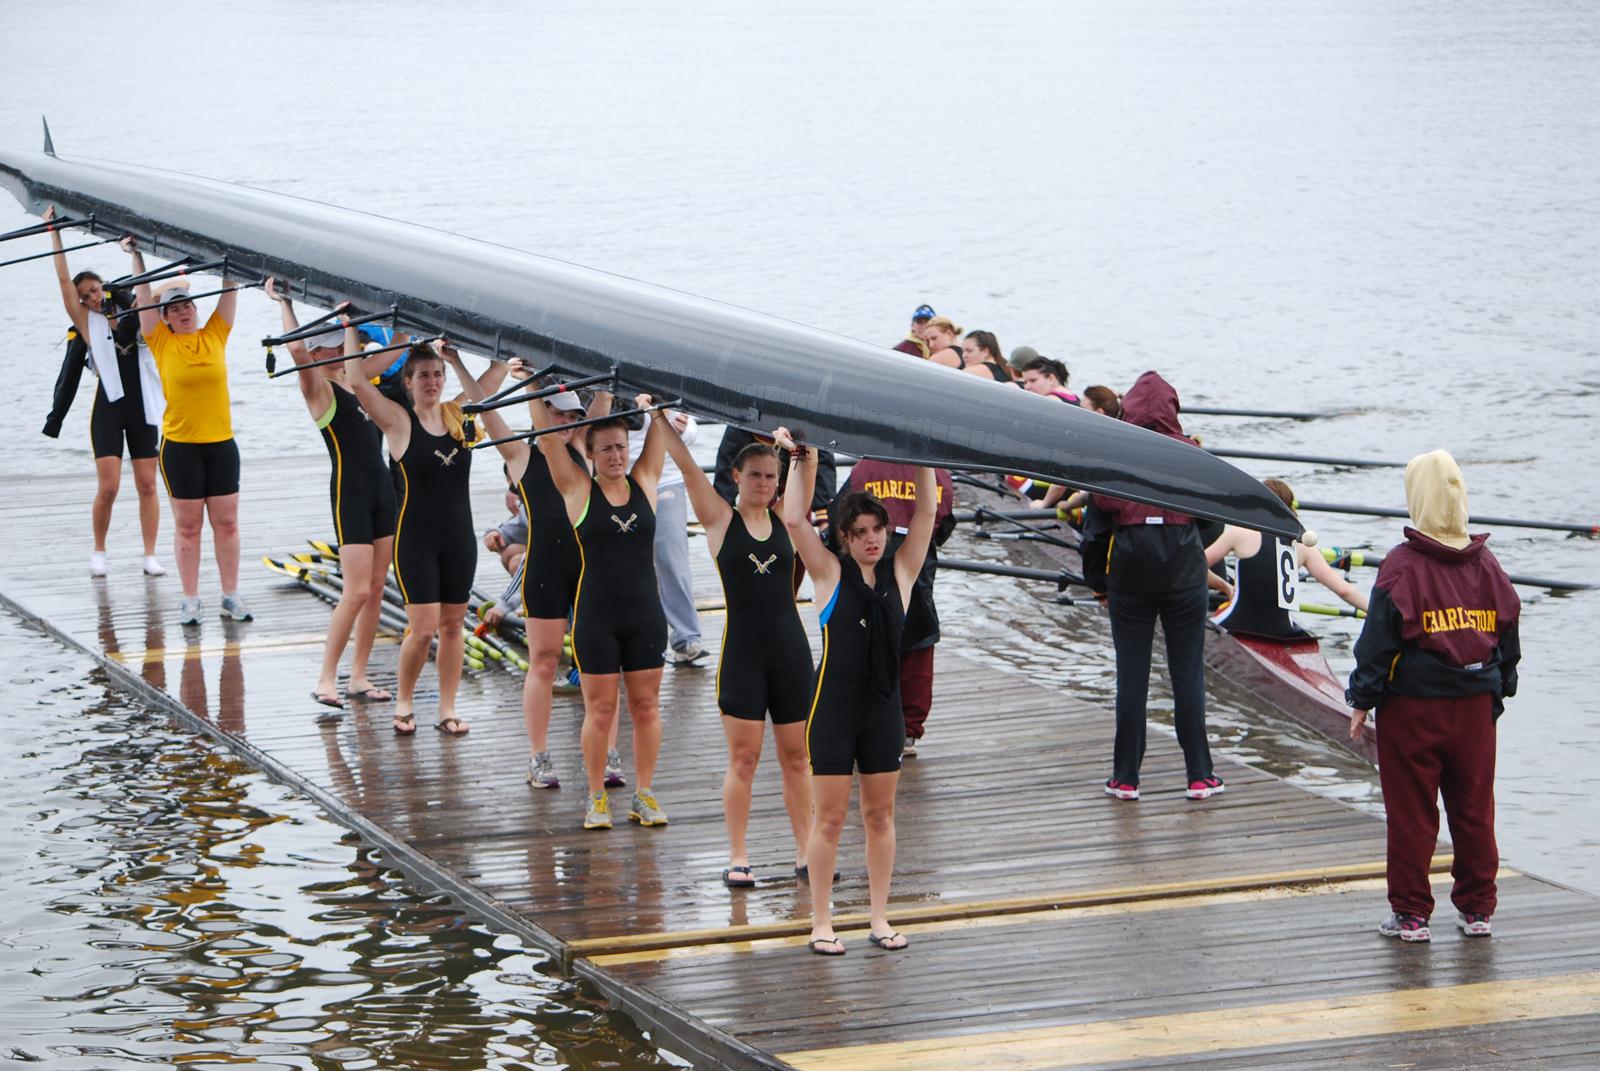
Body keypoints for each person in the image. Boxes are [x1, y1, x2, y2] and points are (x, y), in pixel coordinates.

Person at [1347, 450, 1520, 943]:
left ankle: (1410, 915)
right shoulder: (1487, 564)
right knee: (1474, 807)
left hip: (1412, 709)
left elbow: (1377, 644)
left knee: (1412, 812)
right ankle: (1477, 908)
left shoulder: (1402, 567)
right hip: (1474, 707)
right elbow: (1509, 636)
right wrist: (1500, 691)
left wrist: (1361, 699)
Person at [779, 427, 935, 956]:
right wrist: (805, 457)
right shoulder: (827, 573)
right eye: (861, 531)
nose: (872, 538)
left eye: (878, 530)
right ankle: (821, 922)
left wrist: (923, 458)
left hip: (883, 712)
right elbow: (794, 518)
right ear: (845, 538)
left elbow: (929, 516)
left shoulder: (903, 571)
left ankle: (878, 917)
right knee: (830, 818)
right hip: (833, 712)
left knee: (881, 816)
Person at [658, 421, 814, 885]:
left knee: (797, 759)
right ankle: (738, 855)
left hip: (790, 652)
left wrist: (800, 449)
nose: (764, 484)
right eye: (755, 476)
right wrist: (659, 418)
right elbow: (686, 468)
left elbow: (808, 468)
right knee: (744, 759)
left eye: (771, 477)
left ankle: (807, 852)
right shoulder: (720, 520)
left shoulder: (789, 519)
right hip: (743, 655)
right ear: (736, 477)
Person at [529, 390, 670, 830]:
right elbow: (550, 442)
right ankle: (596, 798)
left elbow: (660, 435)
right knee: (601, 711)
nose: (616, 455)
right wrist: (534, 391)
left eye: (622, 446)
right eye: (606, 447)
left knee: (646, 708)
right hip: (597, 618)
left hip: (645, 614)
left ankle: (644, 794)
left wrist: (654, 410)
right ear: (588, 453)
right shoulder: (577, 489)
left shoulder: (644, 480)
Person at [1080, 372, 1222, 802]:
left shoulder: (1113, 456)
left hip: (1130, 583)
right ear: (1173, 410)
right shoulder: (1194, 456)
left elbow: (1093, 536)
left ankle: (1126, 779)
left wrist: (1099, 585)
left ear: (1129, 410)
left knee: (1132, 679)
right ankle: (1199, 776)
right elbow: (1213, 523)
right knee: (1187, 678)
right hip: (1184, 582)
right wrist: (1189, 548)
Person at [481, 360, 621, 789]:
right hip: (544, 568)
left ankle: (610, 754)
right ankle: (539, 757)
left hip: (588, 569)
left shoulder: (583, 447)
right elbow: (486, 410)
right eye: (557, 415)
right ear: (543, 414)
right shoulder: (522, 455)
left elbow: (605, 394)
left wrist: (608, 370)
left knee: (602, 664)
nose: (565, 423)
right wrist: (520, 379)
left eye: (572, 417)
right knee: (542, 662)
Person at [266, 280, 400, 708]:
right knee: (356, 590)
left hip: (383, 489)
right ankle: (327, 678)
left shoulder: (361, 381)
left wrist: (412, 323)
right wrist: (285, 302)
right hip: (351, 494)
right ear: (323, 353)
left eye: (351, 344)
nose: (349, 349)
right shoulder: (319, 390)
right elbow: (295, 351)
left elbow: (396, 349)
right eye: (339, 345)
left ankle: (359, 677)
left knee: (377, 587)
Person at [342, 334, 484, 736]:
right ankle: (404, 701)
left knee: (454, 626)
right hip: (416, 540)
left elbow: (491, 385)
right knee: (422, 630)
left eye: (437, 375)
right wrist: (353, 329)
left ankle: (447, 708)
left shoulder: (459, 417)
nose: (432, 382)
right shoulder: (399, 422)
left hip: (460, 538)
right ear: (408, 382)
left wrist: (457, 360)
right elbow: (356, 382)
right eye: (423, 375)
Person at [124, 237, 245, 625]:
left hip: (222, 445)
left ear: (196, 309)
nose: (183, 313)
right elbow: (143, 299)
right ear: (166, 318)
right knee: (188, 526)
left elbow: (230, 289)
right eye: (174, 309)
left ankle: (230, 595)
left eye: (187, 306)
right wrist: (137, 255)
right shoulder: (160, 341)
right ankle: (190, 599)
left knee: (226, 524)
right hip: (180, 448)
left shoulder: (214, 334)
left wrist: (231, 261)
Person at [41, 207, 165, 578]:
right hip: (109, 408)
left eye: (95, 289)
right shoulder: (86, 322)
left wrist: (134, 252)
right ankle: (99, 550)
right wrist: (55, 233)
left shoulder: (133, 309)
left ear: (105, 286)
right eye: (86, 295)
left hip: (142, 406)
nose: (93, 297)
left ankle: (149, 555)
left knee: (147, 484)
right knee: (109, 487)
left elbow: (156, 291)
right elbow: (64, 282)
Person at [833, 461, 955, 757]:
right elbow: (944, 524)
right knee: (917, 648)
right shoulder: (937, 471)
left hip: (873, 574)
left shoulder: (864, 469)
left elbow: (840, 515)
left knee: (867, 646)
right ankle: (910, 730)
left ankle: (863, 720)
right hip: (917, 570)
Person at [1206, 478, 1368, 626]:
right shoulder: (1303, 546)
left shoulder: (1239, 533)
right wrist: (1379, 612)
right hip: (1282, 629)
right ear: (1289, 508)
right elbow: (1345, 590)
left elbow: (1194, 564)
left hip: (1237, 623)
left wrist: (1224, 586)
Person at [630, 411, 706, 665]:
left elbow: (691, 426)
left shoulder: (668, 379)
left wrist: (685, 431)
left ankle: (686, 638)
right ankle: (627, 636)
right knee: (624, 561)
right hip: (620, 478)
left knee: (672, 557)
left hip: (667, 481)